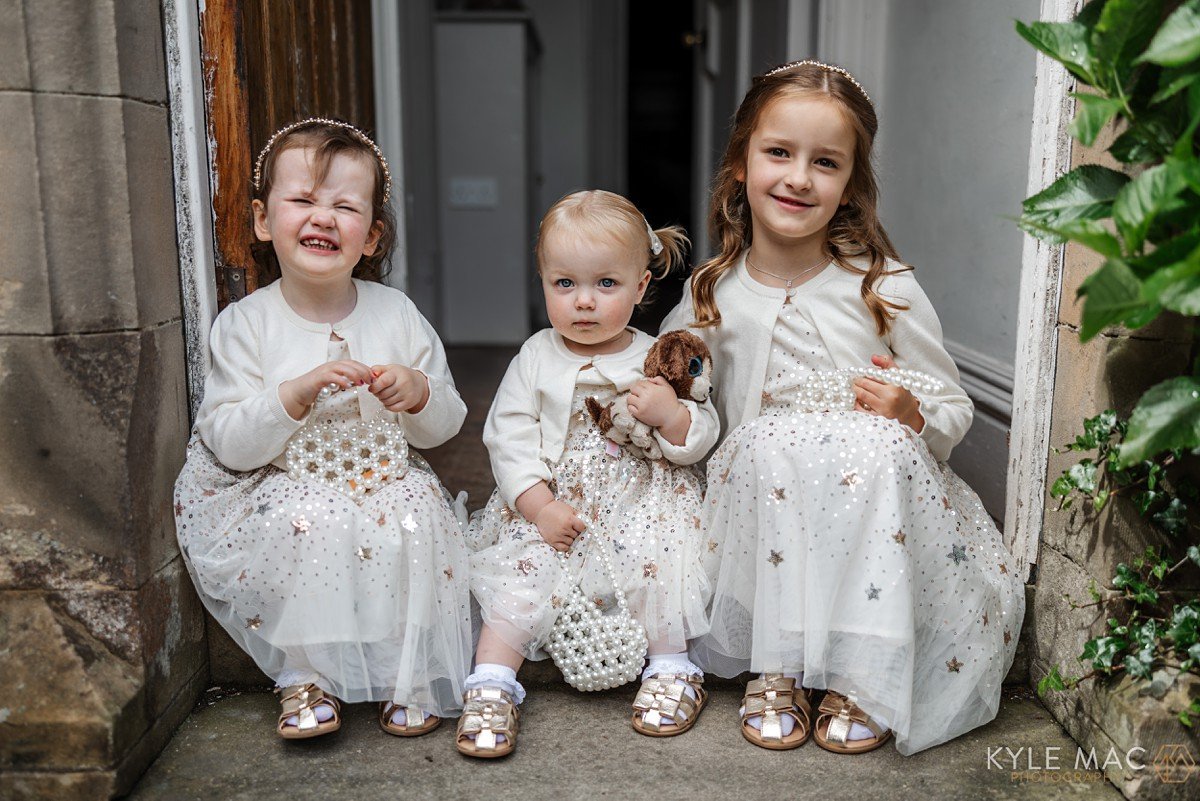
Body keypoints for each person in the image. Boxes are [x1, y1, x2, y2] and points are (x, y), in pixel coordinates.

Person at [661, 61, 1023, 755]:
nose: (799, 177)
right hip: (768, 502)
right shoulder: (713, 293)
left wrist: (910, 410)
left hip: (864, 500)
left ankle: (863, 667)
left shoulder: (882, 287)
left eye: (824, 163)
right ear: (740, 162)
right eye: (779, 153)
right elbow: (689, 401)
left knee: (878, 446)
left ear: (850, 185)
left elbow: (949, 398)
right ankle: (780, 660)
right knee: (765, 443)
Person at [174, 118, 472, 740]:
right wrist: (295, 393)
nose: (323, 218)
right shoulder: (246, 324)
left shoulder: (397, 314)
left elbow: (443, 427)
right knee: (309, 519)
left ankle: (405, 671)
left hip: (386, 472)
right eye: (303, 200)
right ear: (263, 220)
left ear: (372, 235)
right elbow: (228, 440)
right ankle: (305, 675)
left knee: (417, 513)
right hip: (289, 476)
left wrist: (418, 394)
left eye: (344, 206)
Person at [458, 190, 720, 758]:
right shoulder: (534, 356)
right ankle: (491, 682)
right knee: (522, 572)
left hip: (643, 496)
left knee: (659, 560)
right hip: (558, 502)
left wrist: (672, 416)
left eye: (606, 285)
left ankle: (672, 667)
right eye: (564, 284)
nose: (584, 303)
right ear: (544, 281)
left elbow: (701, 431)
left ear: (643, 286)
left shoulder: (657, 356)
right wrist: (538, 506)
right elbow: (508, 438)